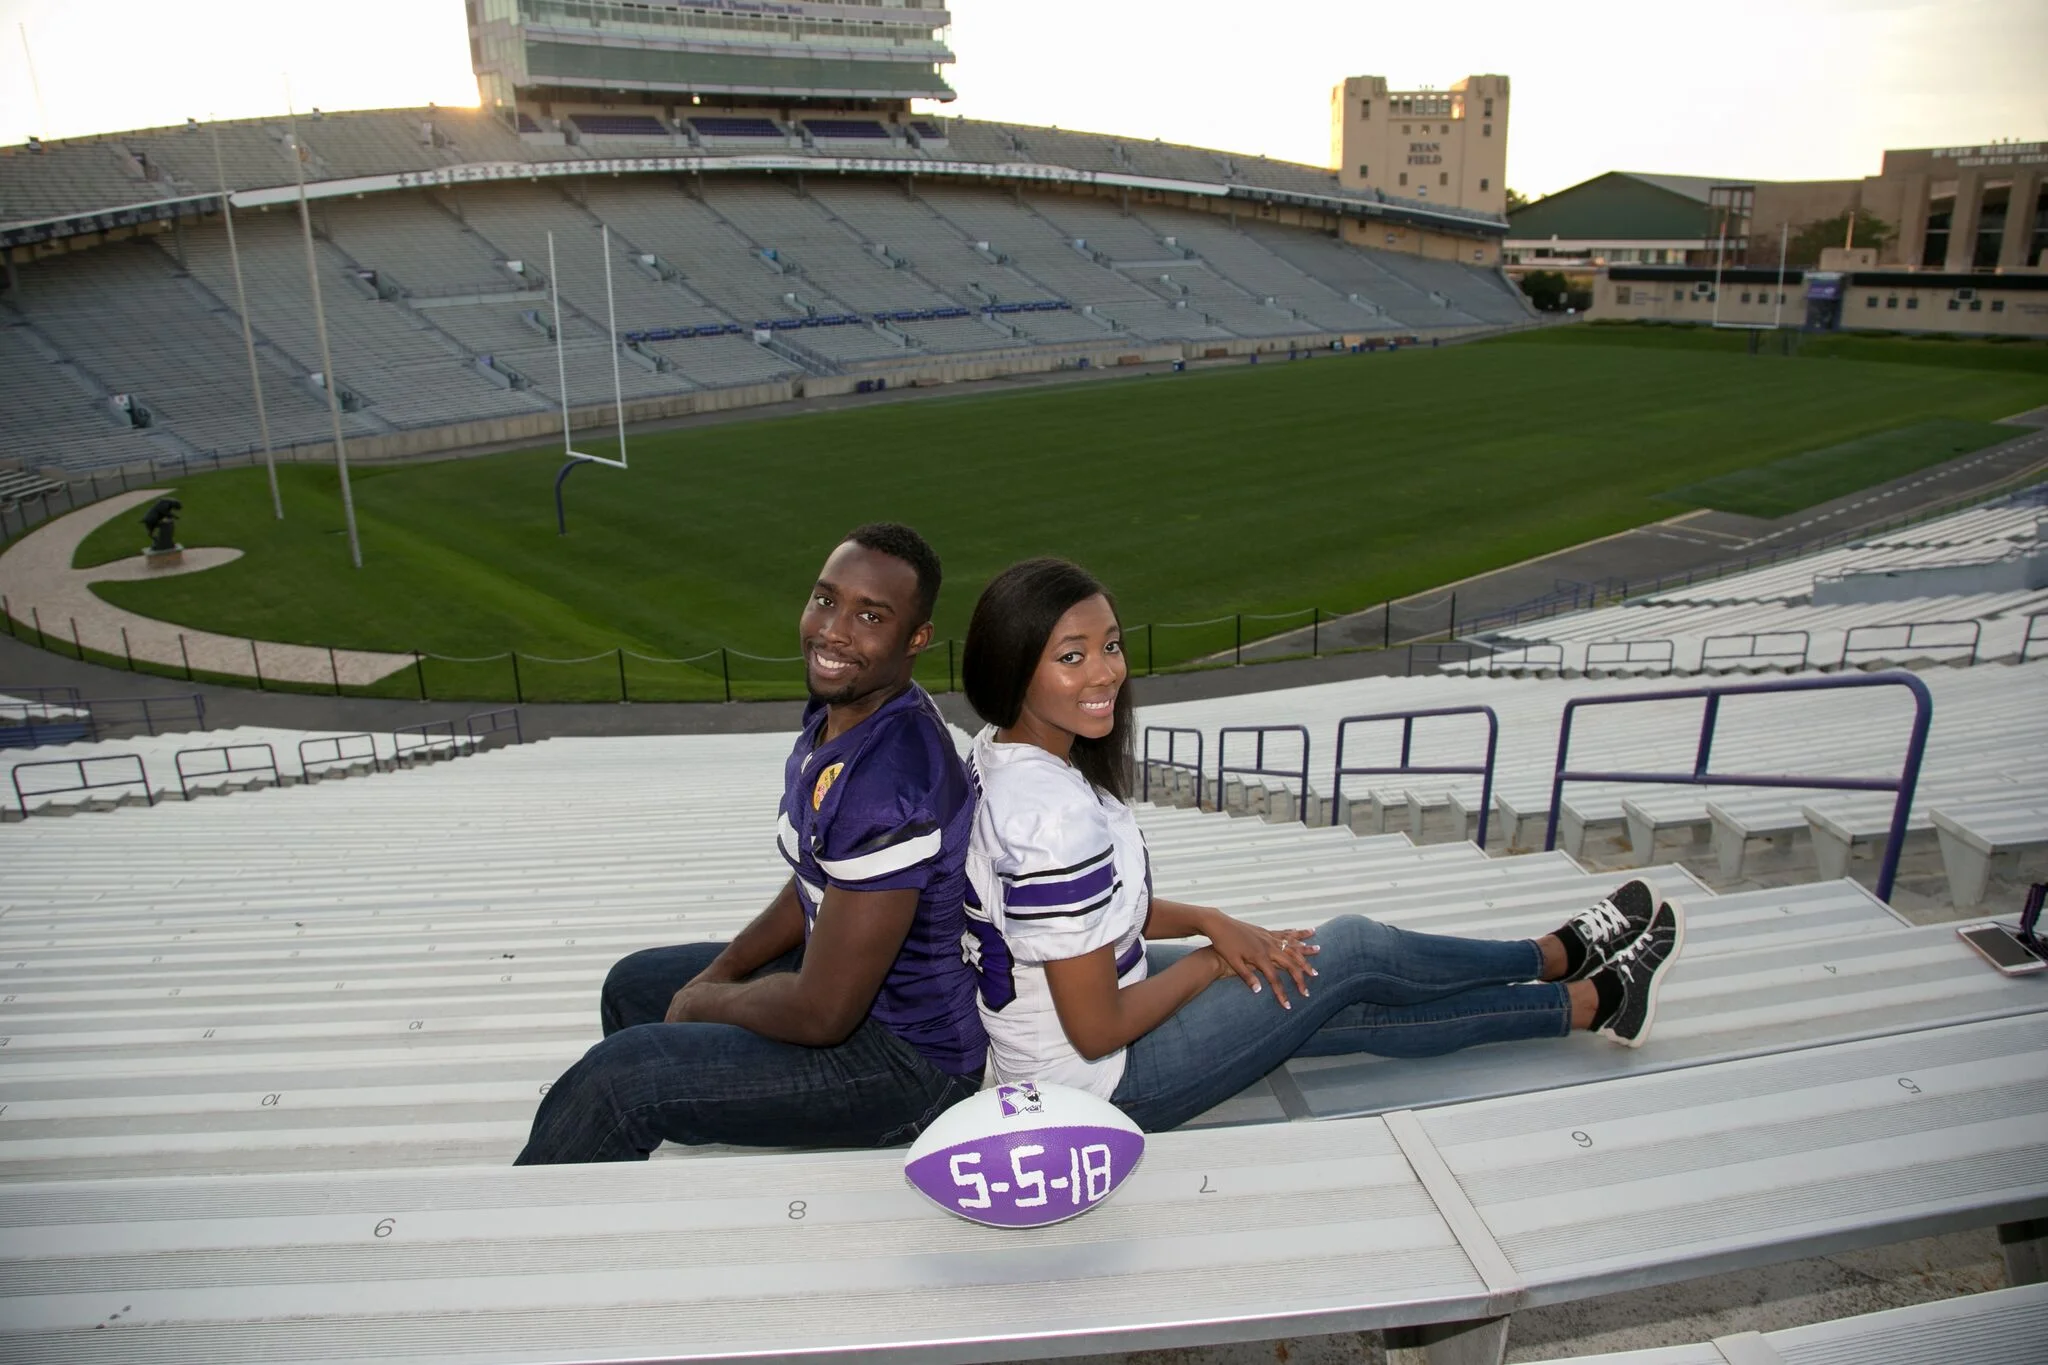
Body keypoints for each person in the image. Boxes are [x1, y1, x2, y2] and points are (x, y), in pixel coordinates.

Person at [958, 558, 1684, 1133]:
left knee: (1329, 993)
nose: (1106, 671)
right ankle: (1553, 957)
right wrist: (1214, 960)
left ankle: (1593, 999)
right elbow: (1095, 1027)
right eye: (1072, 656)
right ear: (1014, 668)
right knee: (1352, 952)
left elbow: (1095, 918)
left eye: (1110, 645)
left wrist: (1214, 920)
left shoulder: (1005, 754)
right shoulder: (1049, 815)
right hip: (1104, 1083)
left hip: (1070, 1031)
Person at [517, 524, 986, 1162]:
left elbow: (825, 1014)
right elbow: (813, 883)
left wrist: (705, 1002)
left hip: (908, 1063)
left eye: (869, 615)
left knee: (616, 1083)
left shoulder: (890, 778)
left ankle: (534, 1245)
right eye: (826, 600)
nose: (834, 631)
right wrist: (722, 973)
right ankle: (630, 1172)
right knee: (632, 987)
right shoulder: (846, 711)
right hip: (851, 993)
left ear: (917, 638)